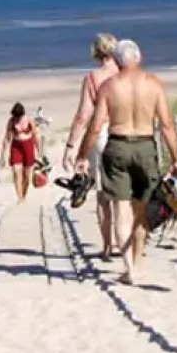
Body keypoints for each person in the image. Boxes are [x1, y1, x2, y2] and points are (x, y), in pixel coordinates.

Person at [75, 39, 177, 286]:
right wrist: (176, 158)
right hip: (145, 145)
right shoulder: (153, 84)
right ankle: (138, 262)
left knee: (121, 209)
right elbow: (166, 126)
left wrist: (82, 155)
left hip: (118, 145)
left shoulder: (109, 86)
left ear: (118, 61)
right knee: (141, 208)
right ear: (139, 57)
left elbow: (95, 126)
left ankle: (129, 268)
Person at [61, 32, 120, 260]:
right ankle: (127, 244)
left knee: (103, 194)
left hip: (102, 134)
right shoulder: (124, 74)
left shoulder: (93, 78)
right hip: (126, 131)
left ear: (96, 52)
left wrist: (71, 146)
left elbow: (83, 116)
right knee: (125, 194)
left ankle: (108, 246)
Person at [0, 101, 38, 203]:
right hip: (16, 146)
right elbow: (7, 137)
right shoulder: (11, 121)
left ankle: (23, 195)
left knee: (26, 175)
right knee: (17, 173)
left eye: (18, 117)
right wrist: (3, 154)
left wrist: (39, 153)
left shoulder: (29, 120)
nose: (17, 119)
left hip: (28, 145)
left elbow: (35, 136)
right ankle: (20, 198)